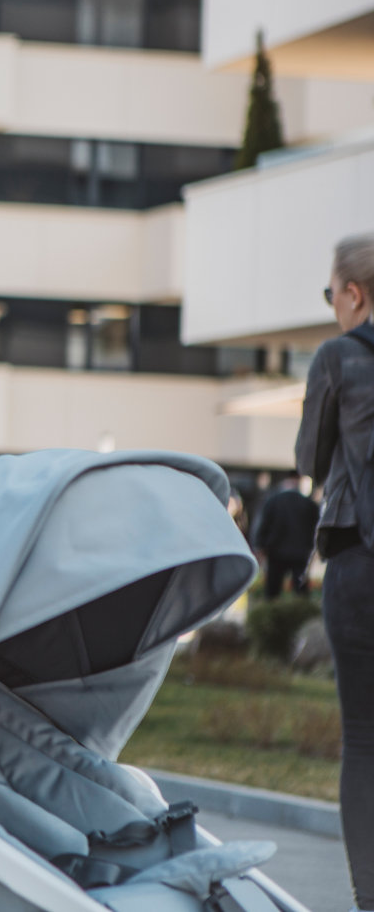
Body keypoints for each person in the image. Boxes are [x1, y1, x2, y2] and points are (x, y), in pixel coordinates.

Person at [296, 229, 374, 912]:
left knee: (365, 741)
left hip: (359, 564)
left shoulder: (339, 357)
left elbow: (312, 461)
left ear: (355, 292)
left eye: (331, 294)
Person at [249, 472, 318, 599]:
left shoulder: (273, 501)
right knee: (300, 589)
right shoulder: (308, 503)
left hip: (276, 550)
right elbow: (315, 528)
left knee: (273, 589)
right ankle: (302, 613)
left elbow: (264, 524)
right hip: (301, 552)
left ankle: (271, 613)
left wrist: (260, 545)